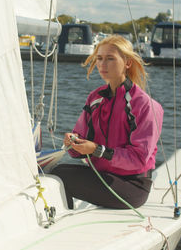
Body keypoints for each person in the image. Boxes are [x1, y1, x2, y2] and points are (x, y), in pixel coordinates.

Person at [51, 35, 163, 209]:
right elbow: (80, 145)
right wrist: (74, 142)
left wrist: (97, 150)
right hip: (102, 176)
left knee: (61, 176)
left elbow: (139, 159)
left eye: (110, 59)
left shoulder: (145, 105)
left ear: (127, 63)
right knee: (53, 172)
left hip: (132, 186)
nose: (102, 65)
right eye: (99, 59)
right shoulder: (95, 98)